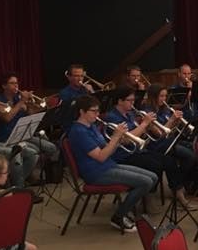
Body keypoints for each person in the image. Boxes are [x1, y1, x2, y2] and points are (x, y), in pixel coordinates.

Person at [67, 94, 157, 232]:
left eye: (98, 110)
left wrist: (119, 139)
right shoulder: (79, 132)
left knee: (153, 177)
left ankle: (127, 209)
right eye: (93, 111)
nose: (97, 114)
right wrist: (115, 137)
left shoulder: (92, 126)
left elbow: (106, 148)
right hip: (95, 173)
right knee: (145, 182)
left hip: (107, 165)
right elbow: (101, 156)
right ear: (81, 112)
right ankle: (119, 216)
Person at [104, 87, 195, 213]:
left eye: (133, 100)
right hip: (123, 155)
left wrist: (146, 128)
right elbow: (126, 140)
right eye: (130, 100)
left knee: (169, 161)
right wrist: (145, 124)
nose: (132, 103)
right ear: (120, 101)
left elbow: (141, 134)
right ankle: (147, 199)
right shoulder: (112, 117)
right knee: (155, 165)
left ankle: (178, 193)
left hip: (137, 150)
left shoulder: (130, 114)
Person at [0, 71, 59, 162]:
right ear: (4, 86)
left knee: (51, 147)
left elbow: (30, 115)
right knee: (35, 151)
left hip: (22, 134)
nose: (16, 86)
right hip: (7, 138)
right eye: (12, 83)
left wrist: (30, 105)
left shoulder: (17, 98)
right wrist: (22, 101)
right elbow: (7, 118)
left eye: (17, 83)